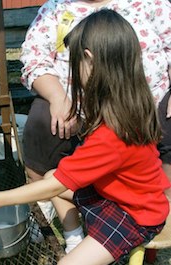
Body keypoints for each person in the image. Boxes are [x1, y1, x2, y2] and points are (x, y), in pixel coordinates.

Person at [0, 10, 171, 265]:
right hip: (119, 194)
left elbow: (56, 185)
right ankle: (76, 240)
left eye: (75, 62)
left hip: (135, 215)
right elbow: (57, 180)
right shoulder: (130, 102)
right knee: (49, 176)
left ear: (89, 59)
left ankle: (83, 252)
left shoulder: (113, 134)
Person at [20, 0, 171, 252]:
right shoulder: (56, 8)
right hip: (81, 107)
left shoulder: (152, 4)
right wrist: (58, 96)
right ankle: (70, 232)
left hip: (146, 107)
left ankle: (162, 201)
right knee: (41, 122)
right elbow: (34, 57)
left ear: (86, 59)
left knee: (58, 180)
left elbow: (58, 183)